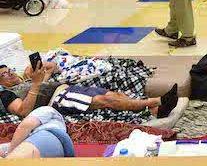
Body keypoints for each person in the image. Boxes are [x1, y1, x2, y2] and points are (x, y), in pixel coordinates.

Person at [0, 64, 178, 120]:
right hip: (59, 99)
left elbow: (47, 75)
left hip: (68, 88)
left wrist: (41, 71)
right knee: (103, 100)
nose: (9, 74)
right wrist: (37, 84)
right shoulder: (7, 94)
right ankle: (156, 101)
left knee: (112, 95)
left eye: (9, 70)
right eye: (3, 75)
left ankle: (156, 111)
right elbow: (23, 111)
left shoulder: (28, 81)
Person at [1, 107, 74, 158]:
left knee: (9, 163)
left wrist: (10, 152)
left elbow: (26, 125)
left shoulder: (47, 109)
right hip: (57, 148)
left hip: (47, 137)